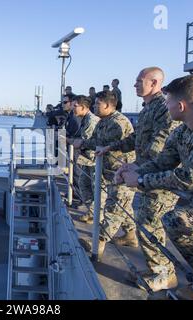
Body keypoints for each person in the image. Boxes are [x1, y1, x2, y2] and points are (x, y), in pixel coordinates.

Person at [117, 75, 193, 295]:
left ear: (181, 105)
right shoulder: (182, 131)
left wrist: (142, 181)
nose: (166, 105)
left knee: (176, 221)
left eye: (168, 101)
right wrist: (133, 170)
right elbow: (163, 161)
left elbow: (188, 177)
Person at [97, 67, 181, 292]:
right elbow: (137, 138)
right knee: (145, 221)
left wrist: (137, 167)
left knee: (151, 223)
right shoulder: (148, 109)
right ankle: (157, 269)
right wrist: (111, 148)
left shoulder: (163, 108)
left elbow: (161, 144)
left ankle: (164, 274)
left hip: (158, 178)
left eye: (138, 81)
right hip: (146, 174)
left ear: (154, 83)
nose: (134, 84)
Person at [79, 91, 136, 259]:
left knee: (113, 208)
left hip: (122, 173)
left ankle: (98, 243)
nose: (95, 106)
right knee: (122, 206)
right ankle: (131, 235)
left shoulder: (118, 122)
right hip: (110, 171)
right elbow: (96, 139)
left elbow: (102, 143)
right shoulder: (104, 121)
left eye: (97, 104)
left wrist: (81, 143)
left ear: (108, 105)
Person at [71, 95, 100, 220]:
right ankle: (91, 211)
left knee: (95, 188)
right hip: (87, 160)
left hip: (94, 160)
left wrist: (77, 143)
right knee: (84, 185)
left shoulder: (91, 120)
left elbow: (87, 140)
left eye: (75, 106)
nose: (73, 108)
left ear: (83, 107)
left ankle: (95, 215)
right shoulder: (84, 119)